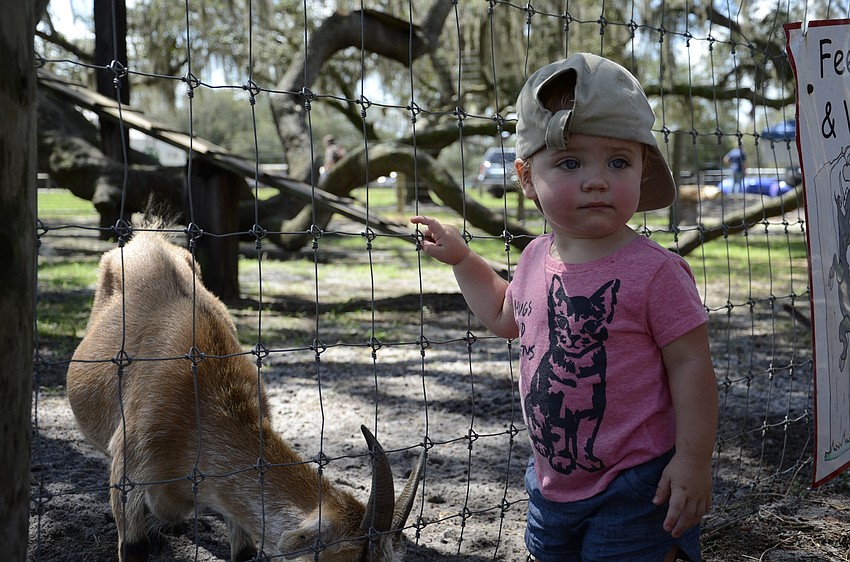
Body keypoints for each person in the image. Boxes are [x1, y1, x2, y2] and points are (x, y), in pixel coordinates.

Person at [411, 53, 717, 562]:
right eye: (570, 162)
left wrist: (692, 461)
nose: (597, 180)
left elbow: (692, 365)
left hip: (637, 482)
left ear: (643, 172)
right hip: (550, 480)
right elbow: (506, 316)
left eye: (618, 162)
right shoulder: (534, 258)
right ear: (527, 178)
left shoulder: (656, 272)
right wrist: (463, 260)